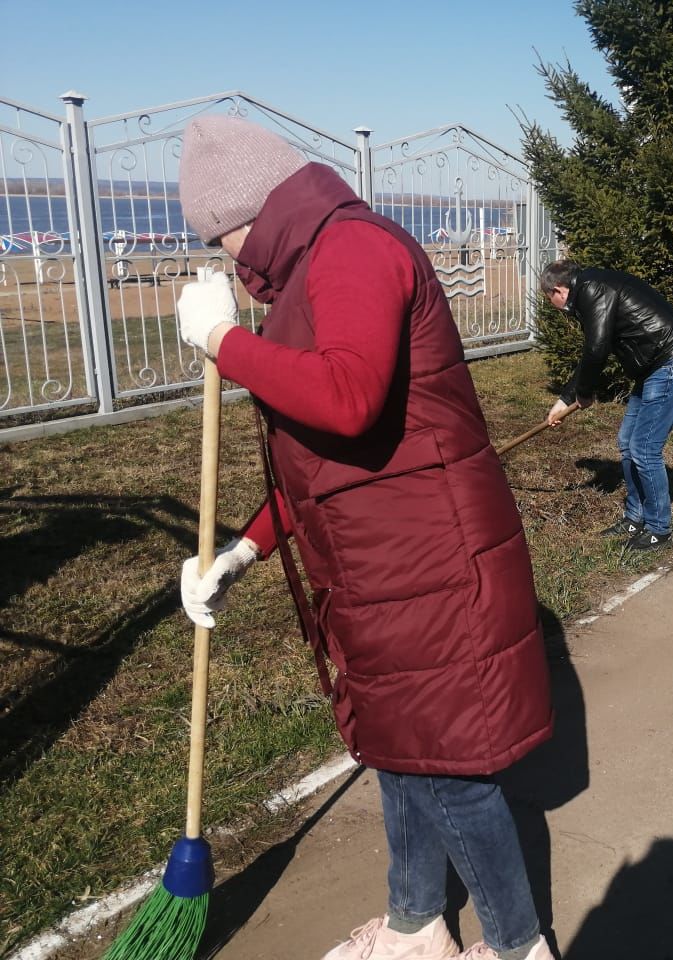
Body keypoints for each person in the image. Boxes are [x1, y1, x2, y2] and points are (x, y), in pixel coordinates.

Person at [173, 115, 554, 960]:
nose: (231, 258)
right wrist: (244, 550)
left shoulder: (350, 250)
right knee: (400, 748)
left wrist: (223, 342)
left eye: (222, 233)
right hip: (383, 567)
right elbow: (328, 463)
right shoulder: (311, 267)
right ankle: (417, 924)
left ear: (252, 209)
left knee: (451, 771)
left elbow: (346, 396)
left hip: (432, 566)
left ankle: (519, 946)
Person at [541, 260, 673, 552]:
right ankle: (635, 516)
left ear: (557, 290)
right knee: (628, 442)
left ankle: (658, 529)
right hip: (656, 367)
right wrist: (564, 399)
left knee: (644, 447)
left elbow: (597, 347)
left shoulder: (592, 288)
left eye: (548, 299)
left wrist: (585, 393)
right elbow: (590, 350)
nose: (552, 305)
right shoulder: (589, 288)